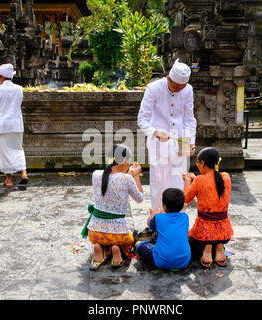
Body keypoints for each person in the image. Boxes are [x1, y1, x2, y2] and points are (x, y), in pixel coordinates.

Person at [137, 59, 197, 211]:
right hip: (159, 143)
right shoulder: (153, 89)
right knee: (159, 183)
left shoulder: (188, 90)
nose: (178, 91)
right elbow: (142, 119)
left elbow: (189, 119)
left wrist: (190, 142)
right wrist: (155, 132)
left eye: (181, 88)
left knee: (179, 181)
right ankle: (157, 217)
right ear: (168, 79)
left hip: (180, 140)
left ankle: (177, 219)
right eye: (175, 87)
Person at [82, 144, 143, 271]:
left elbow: (110, 176)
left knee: (102, 238)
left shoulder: (96, 174)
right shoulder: (127, 179)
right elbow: (140, 198)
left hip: (94, 233)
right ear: (125, 161)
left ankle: (100, 249)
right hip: (118, 235)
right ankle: (116, 251)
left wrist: (128, 173)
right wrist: (135, 175)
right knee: (129, 241)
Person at [182, 147, 234, 268]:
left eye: (198, 162)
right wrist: (197, 179)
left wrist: (187, 182)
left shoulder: (199, 180)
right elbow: (213, 180)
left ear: (203, 163)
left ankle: (208, 246)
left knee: (190, 238)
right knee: (217, 233)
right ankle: (219, 246)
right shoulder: (226, 177)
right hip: (224, 231)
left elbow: (186, 198)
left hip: (203, 233)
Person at [0, 63, 28, 188]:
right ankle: (23, 173)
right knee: (18, 149)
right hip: (16, 124)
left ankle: (9, 180)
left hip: (4, 125)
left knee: (4, 151)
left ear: (1, 76)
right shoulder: (19, 88)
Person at [135, 188, 191, 270]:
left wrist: (153, 214)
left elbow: (149, 224)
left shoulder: (158, 218)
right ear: (182, 206)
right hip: (184, 262)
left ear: (164, 206)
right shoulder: (185, 217)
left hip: (162, 262)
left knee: (138, 244)